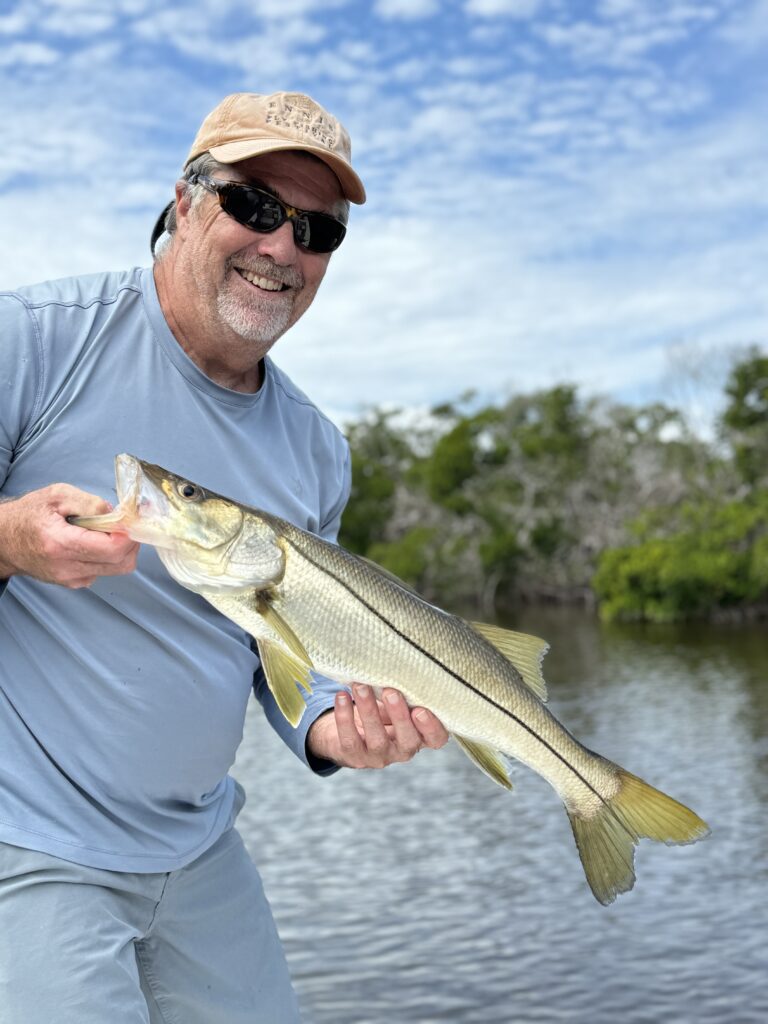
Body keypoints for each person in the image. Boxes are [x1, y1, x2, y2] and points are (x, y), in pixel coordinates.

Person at [0, 91, 448, 1023]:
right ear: (187, 198)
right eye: (254, 206)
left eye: (316, 230)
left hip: (201, 852)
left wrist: (332, 729)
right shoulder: (36, 340)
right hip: (27, 842)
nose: (282, 248)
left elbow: (284, 654)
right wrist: (9, 538)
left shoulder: (316, 449)